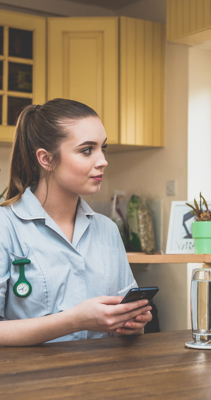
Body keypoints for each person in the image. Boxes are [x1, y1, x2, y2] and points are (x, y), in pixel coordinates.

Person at [0, 98, 152, 346]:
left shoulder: (107, 229)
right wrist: (74, 320)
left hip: (103, 376)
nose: (102, 160)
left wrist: (133, 322)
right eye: (87, 150)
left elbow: (128, 318)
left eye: (103, 148)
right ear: (46, 159)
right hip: (31, 382)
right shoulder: (5, 227)